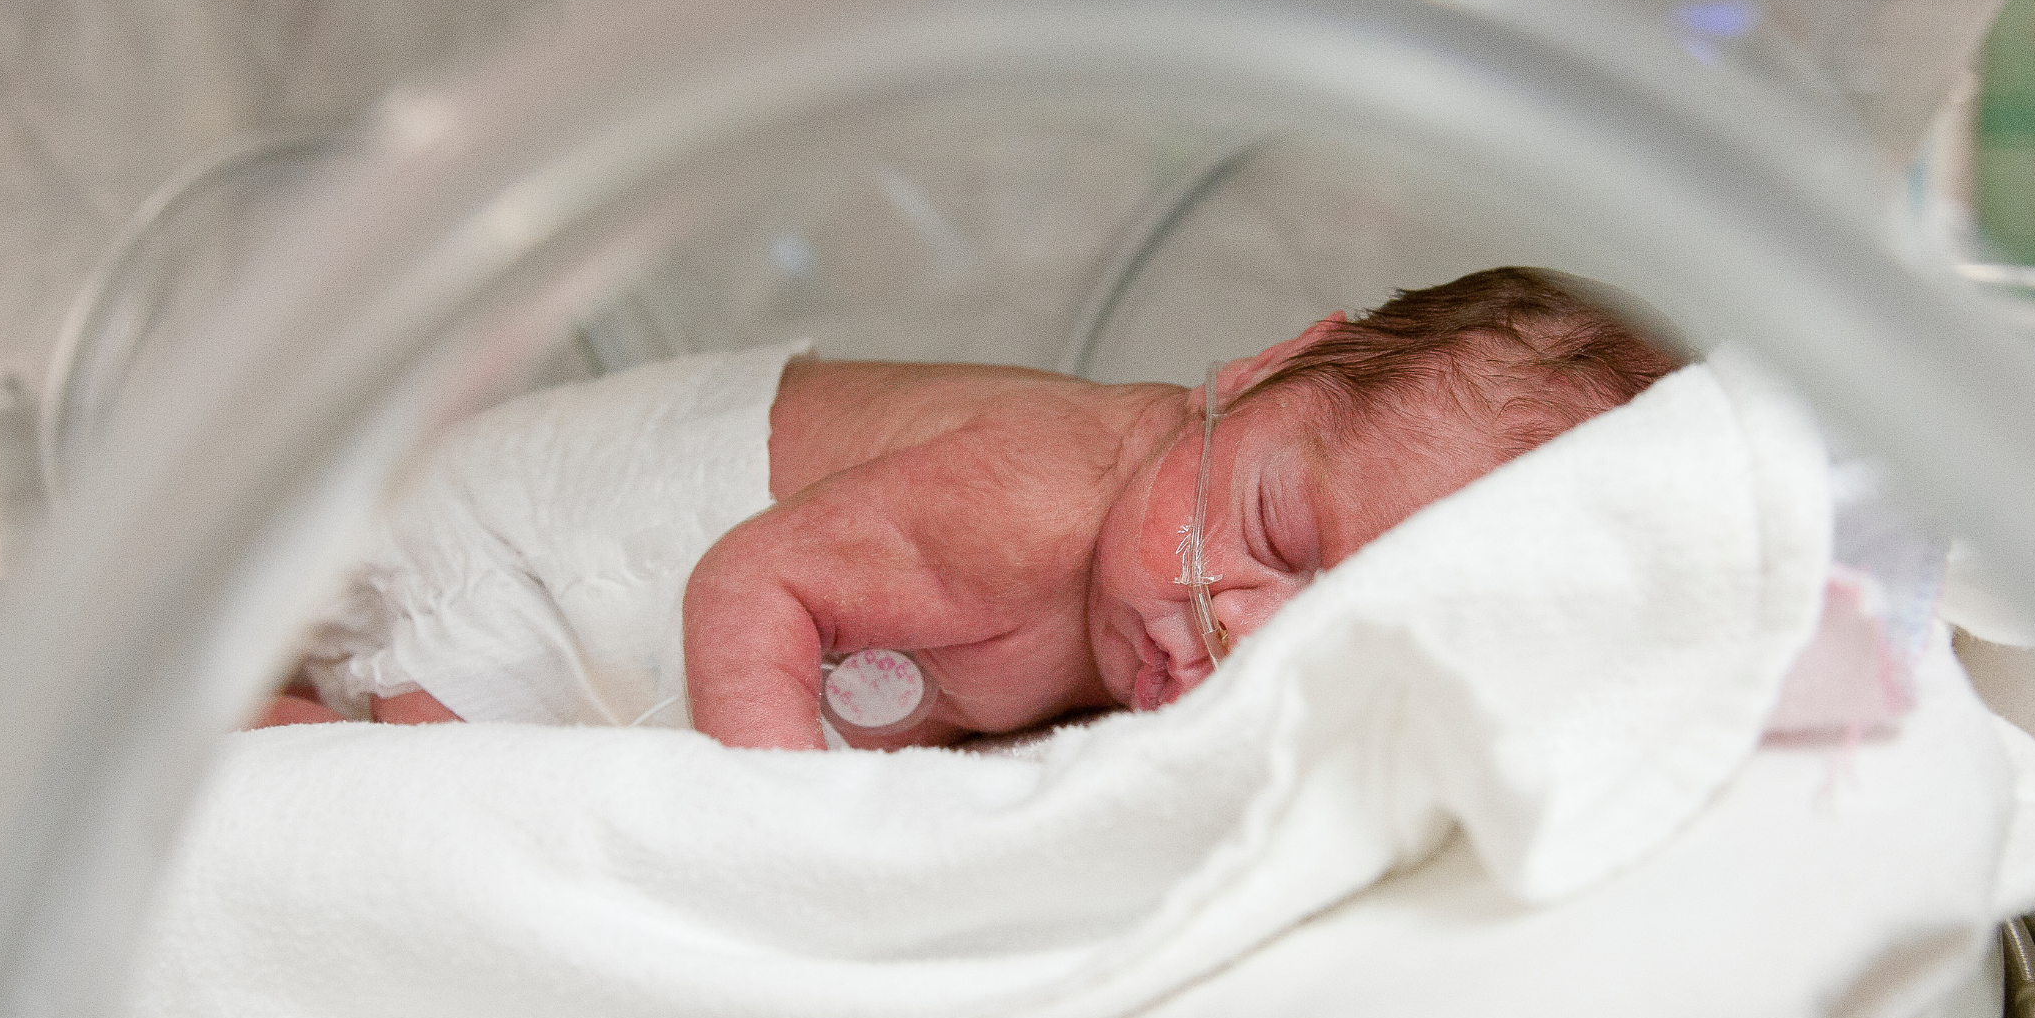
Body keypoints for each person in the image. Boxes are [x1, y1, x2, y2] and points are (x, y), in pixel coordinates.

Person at [273, 267, 1678, 749]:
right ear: (1264, 366)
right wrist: (764, 838)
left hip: (619, 625)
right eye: (1274, 536)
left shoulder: (1145, 596)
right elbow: (744, 591)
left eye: (1330, 639)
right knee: (381, 771)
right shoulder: (1043, 501)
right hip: (544, 557)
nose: (1233, 629)